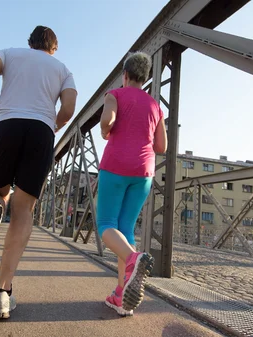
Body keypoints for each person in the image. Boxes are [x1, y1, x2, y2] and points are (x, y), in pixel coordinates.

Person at [0, 25, 77, 320]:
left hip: (6, 124)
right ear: (54, 47)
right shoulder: (62, 69)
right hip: (40, 131)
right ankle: (2, 292)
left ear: (30, 43)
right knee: (23, 207)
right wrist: (53, 125)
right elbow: (68, 107)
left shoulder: (11, 55)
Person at [96, 51, 167, 316]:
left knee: (106, 225)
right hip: (144, 173)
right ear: (144, 78)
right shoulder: (155, 106)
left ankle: (134, 259)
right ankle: (121, 296)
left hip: (115, 166)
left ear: (125, 75)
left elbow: (107, 120)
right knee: (125, 228)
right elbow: (161, 146)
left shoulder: (115, 94)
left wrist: (105, 131)